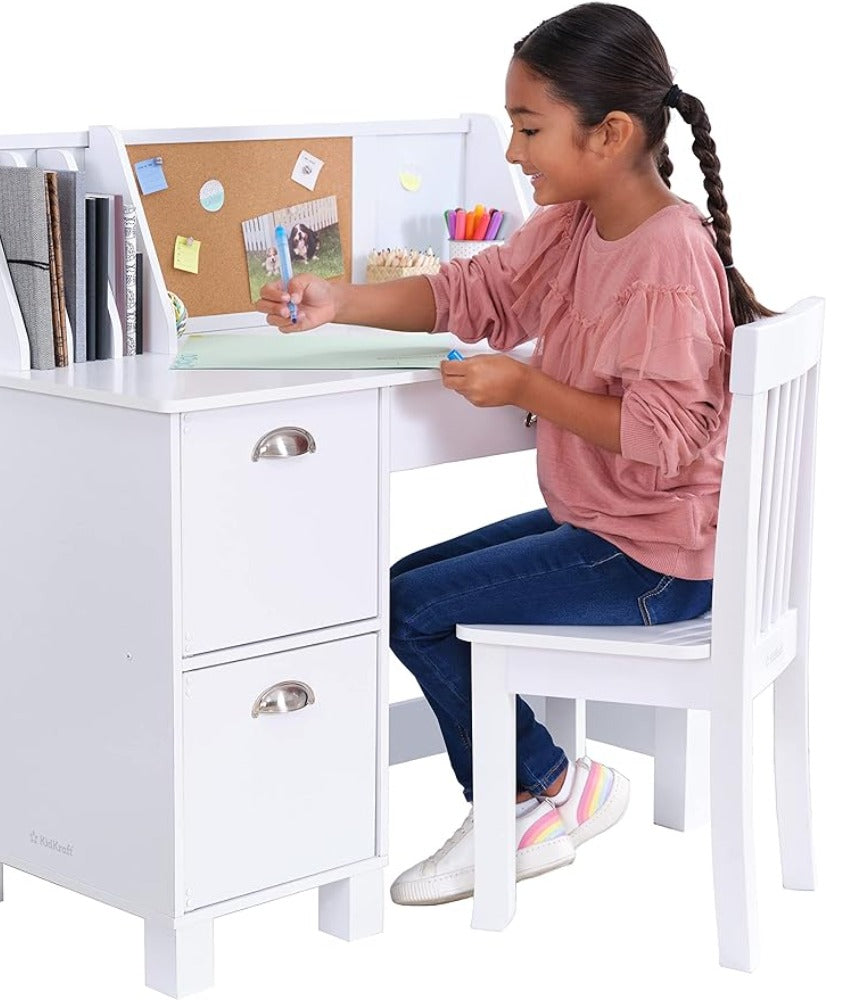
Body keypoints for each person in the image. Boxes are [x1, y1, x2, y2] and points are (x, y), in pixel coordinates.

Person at [255, 1, 776, 907]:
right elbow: (475, 291)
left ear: (610, 134)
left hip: (657, 562)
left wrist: (525, 389)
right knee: (403, 587)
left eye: (529, 127)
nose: (512, 151)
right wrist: (341, 297)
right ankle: (554, 784)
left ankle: (529, 795)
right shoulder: (580, 226)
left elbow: (663, 441)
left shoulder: (665, 259)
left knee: (414, 608)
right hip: (618, 528)